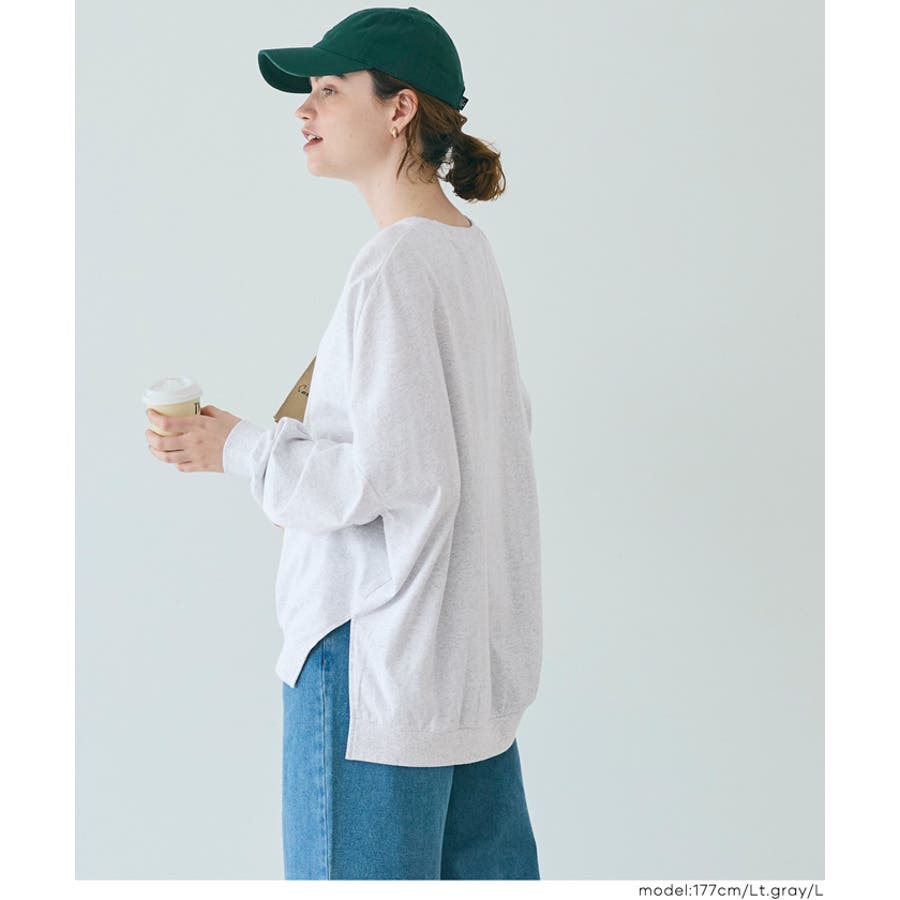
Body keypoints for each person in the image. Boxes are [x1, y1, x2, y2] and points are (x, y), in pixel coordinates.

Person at [145, 6, 542, 880]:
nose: (305, 108)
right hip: (462, 668)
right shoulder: (465, 254)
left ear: (399, 108)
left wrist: (238, 449)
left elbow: (387, 476)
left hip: (375, 660)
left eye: (329, 89)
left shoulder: (394, 267)